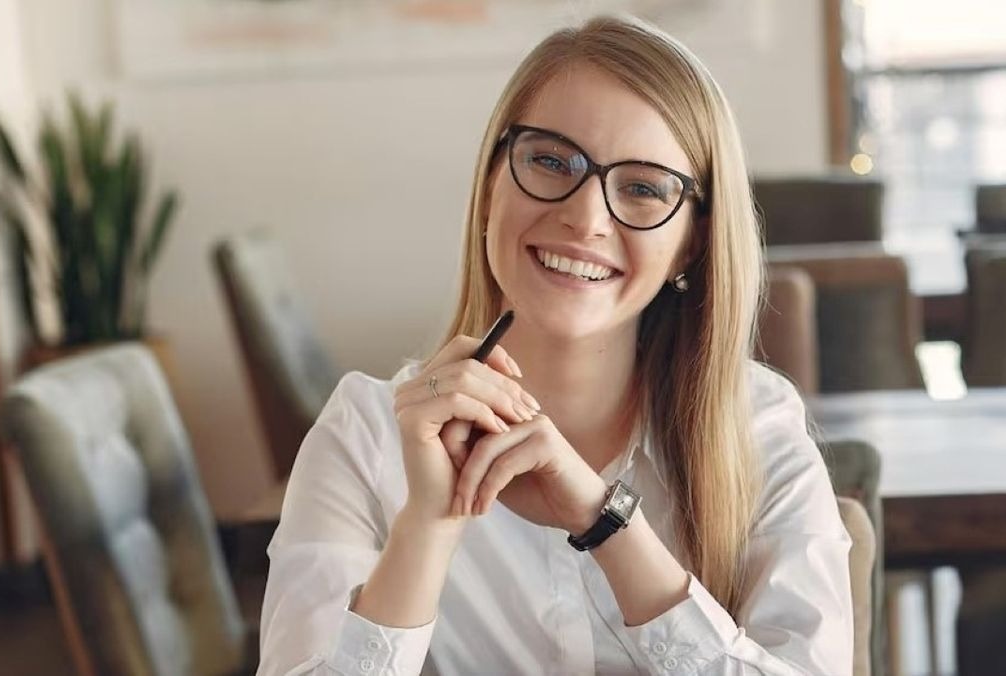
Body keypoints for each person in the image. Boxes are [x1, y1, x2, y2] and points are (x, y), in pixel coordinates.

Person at [259, 14, 852, 675]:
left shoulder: (756, 427)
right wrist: (428, 522)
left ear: (692, 240)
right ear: (490, 187)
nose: (585, 218)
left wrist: (606, 523)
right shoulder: (363, 435)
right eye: (549, 161)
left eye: (644, 188)